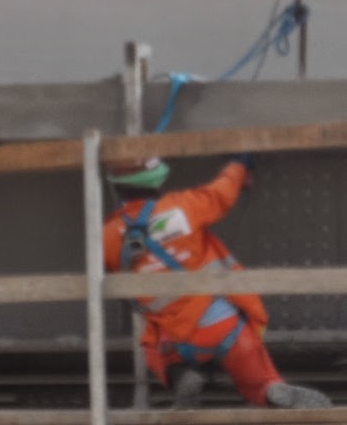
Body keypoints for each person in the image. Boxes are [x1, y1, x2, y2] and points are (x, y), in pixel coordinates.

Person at [103, 153, 331, 409]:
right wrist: (241, 165)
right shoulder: (183, 208)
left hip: (173, 340)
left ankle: (180, 376)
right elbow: (223, 192)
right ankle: (269, 389)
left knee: (151, 344)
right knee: (258, 376)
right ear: (156, 180)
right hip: (223, 323)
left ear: (116, 186)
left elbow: (110, 280)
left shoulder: (108, 236)